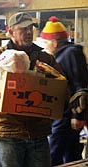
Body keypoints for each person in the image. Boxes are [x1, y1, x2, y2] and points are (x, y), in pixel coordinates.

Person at [0, 12, 63, 167]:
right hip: (8, 131)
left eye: (31, 28)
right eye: (24, 28)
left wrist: (64, 102)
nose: (28, 32)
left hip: (38, 133)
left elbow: (60, 86)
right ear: (10, 31)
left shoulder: (45, 59)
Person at [40, 16, 88, 166]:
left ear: (54, 42)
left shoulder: (70, 54)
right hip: (62, 113)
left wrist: (78, 115)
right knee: (71, 152)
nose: (45, 46)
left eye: (46, 42)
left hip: (68, 115)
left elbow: (79, 85)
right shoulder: (60, 55)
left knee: (54, 152)